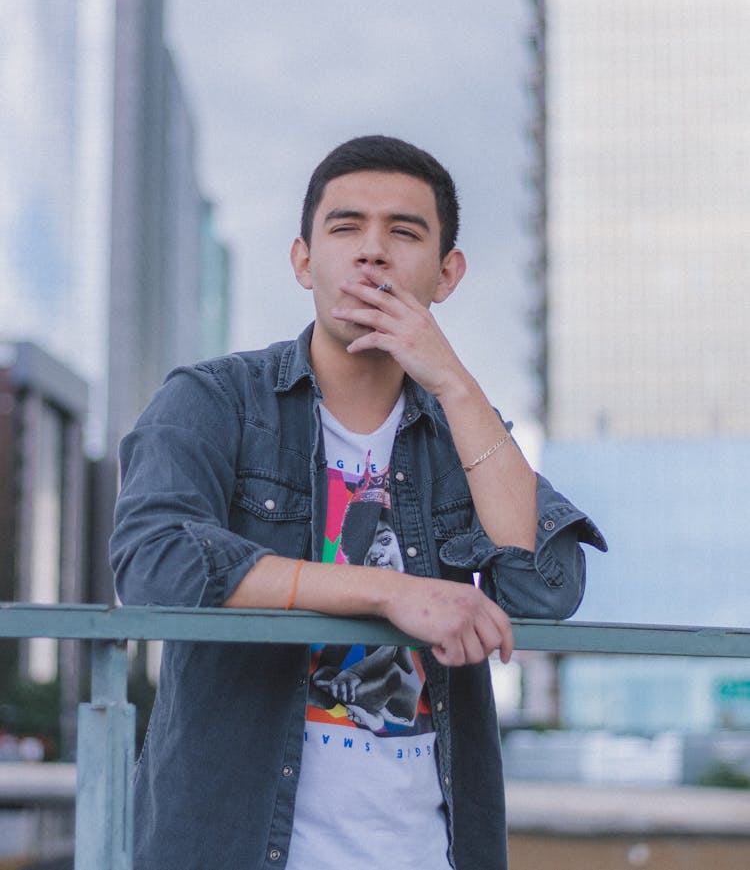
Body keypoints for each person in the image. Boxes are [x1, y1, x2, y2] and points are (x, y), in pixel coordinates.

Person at [110, 135, 606, 870]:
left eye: (404, 232)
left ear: (448, 273)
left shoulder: (460, 433)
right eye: (346, 227)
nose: (372, 252)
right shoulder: (214, 400)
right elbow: (152, 560)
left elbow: (544, 587)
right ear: (304, 259)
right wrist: (390, 593)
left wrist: (455, 383)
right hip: (234, 848)